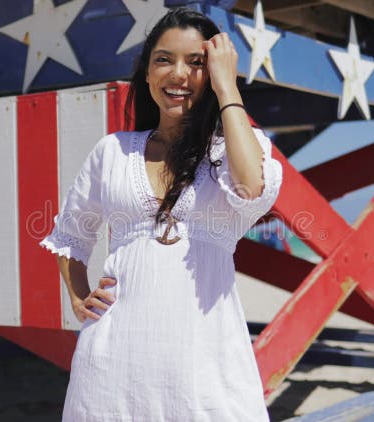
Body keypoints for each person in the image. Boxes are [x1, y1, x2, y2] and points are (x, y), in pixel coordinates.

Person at [40, 7, 283, 421]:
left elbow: (250, 187)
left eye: (197, 63)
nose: (178, 75)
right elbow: (70, 235)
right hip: (112, 363)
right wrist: (79, 298)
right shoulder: (112, 150)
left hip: (204, 360)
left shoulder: (232, 149)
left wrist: (227, 89)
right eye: (164, 60)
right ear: (147, 72)